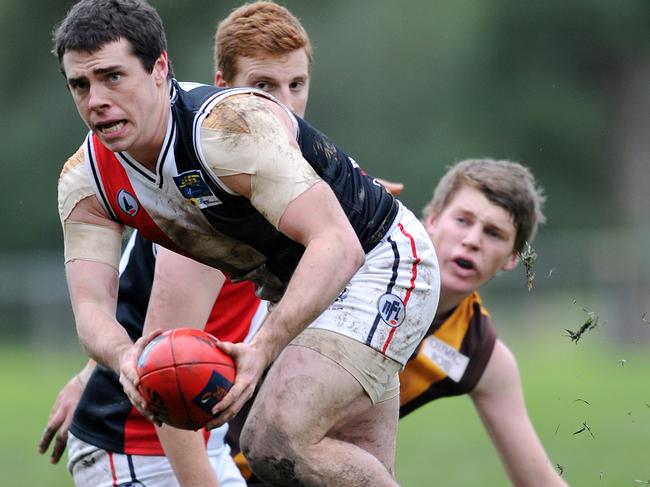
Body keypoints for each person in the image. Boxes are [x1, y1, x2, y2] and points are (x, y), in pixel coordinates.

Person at [53, 2, 439, 487]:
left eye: (113, 77)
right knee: (359, 468)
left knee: (271, 441)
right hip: (306, 289)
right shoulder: (84, 182)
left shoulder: (225, 131)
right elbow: (91, 307)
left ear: (159, 69)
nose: (96, 100)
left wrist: (260, 348)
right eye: (80, 85)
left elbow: (338, 244)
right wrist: (122, 357)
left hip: (381, 264)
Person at [398, 158, 568, 486]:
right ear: (432, 219)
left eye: (494, 233)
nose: (473, 240)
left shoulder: (477, 350)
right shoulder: (364, 261)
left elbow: (540, 481)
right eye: (463, 220)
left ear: (512, 258)